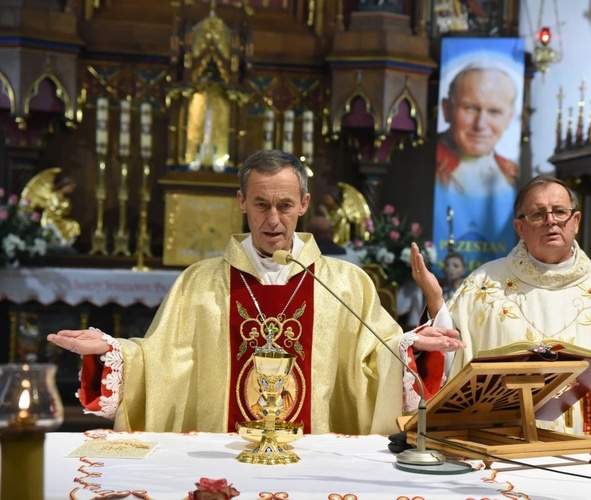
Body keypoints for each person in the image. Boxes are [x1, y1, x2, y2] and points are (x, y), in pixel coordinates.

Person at [48, 150, 464, 436]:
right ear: (241, 202)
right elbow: (159, 361)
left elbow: (378, 358)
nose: (273, 219)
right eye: (261, 204)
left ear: (303, 204)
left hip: (313, 454)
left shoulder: (344, 283)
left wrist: (412, 347)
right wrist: (111, 352)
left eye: (284, 205)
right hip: (225, 454)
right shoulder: (201, 281)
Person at [411, 175, 591, 440]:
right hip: (501, 451)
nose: (551, 221)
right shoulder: (482, 287)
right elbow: (447, 362)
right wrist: (436, 302)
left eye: (560, 212)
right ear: (520, 228)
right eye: (538, 214)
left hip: (587, 455)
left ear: (576, 221)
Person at [436, 64, 519, 195]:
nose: (480, 125)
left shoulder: (512, 173)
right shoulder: (425, 164)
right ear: (447, 109)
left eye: (494, 112)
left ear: (509, 118)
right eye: (470, 108)